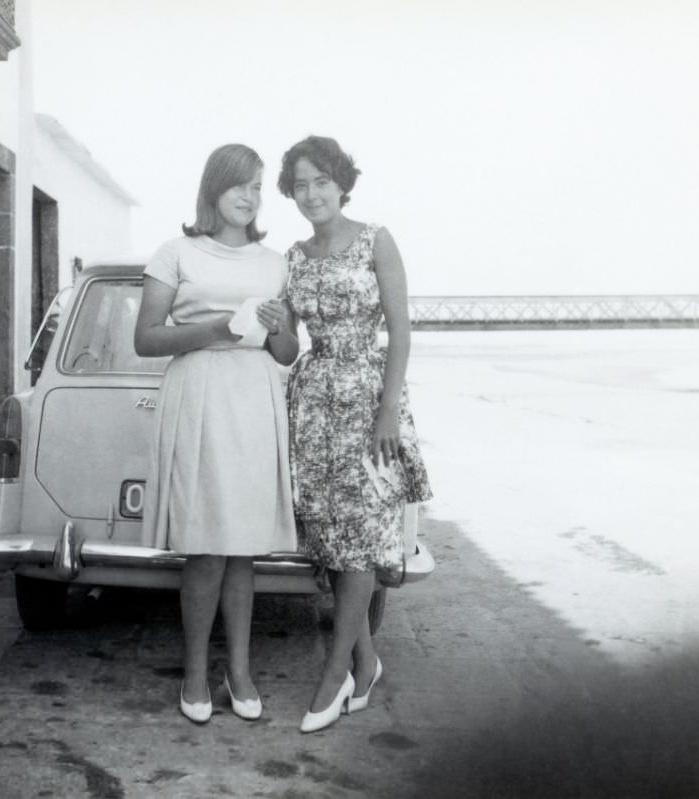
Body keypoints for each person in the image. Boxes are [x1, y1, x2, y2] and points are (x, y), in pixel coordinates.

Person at [135, 143, 298, 724]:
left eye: (257, 187)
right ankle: (196, 673)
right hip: (200, 394)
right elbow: (147, 338)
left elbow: (286, 353)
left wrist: (279, 329)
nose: (250, 197)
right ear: (213, 188)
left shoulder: (276, 262)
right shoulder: (176, 251)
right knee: (205, 547)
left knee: (243, 549)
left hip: (254, 399)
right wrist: (217, 330)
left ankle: (241, 671)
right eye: (240, 185)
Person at [277, 135, 432, 733]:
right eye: (300, 184)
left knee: (364, 535)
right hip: (313, 402)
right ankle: (365, 664)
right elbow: (289, 350)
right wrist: (273, 329)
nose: (311, 193)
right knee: (330, 537)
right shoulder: (291, 256)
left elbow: (400, 330)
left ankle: (334, 672)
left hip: (369, 398)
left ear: (342, 183)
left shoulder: (375, 239)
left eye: (321, 181)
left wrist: (388, 410)